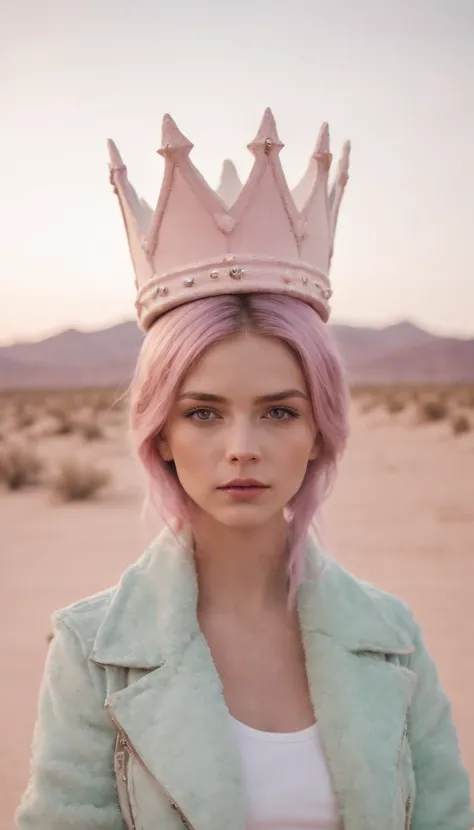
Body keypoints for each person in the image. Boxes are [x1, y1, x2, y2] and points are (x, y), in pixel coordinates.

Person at [16, 109, 473, 830]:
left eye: (279, 412)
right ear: (159, 433)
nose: (241, 447)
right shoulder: (94, 651)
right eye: (202, 412)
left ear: (320, 430)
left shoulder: (393, 636)